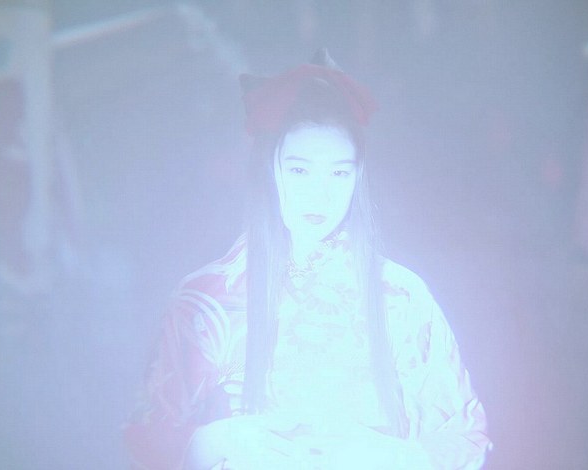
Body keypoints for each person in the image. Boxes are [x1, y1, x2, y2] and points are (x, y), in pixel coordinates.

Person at [124, 50, 490, 469]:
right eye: (300, 170)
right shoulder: (209, 299)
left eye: (339, 173)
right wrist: (216, 441)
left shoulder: (401, 296)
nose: (321, 193)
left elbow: (467, 436)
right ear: (270, 169)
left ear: (358, 176)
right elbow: (146, 432)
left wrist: (392, 455)